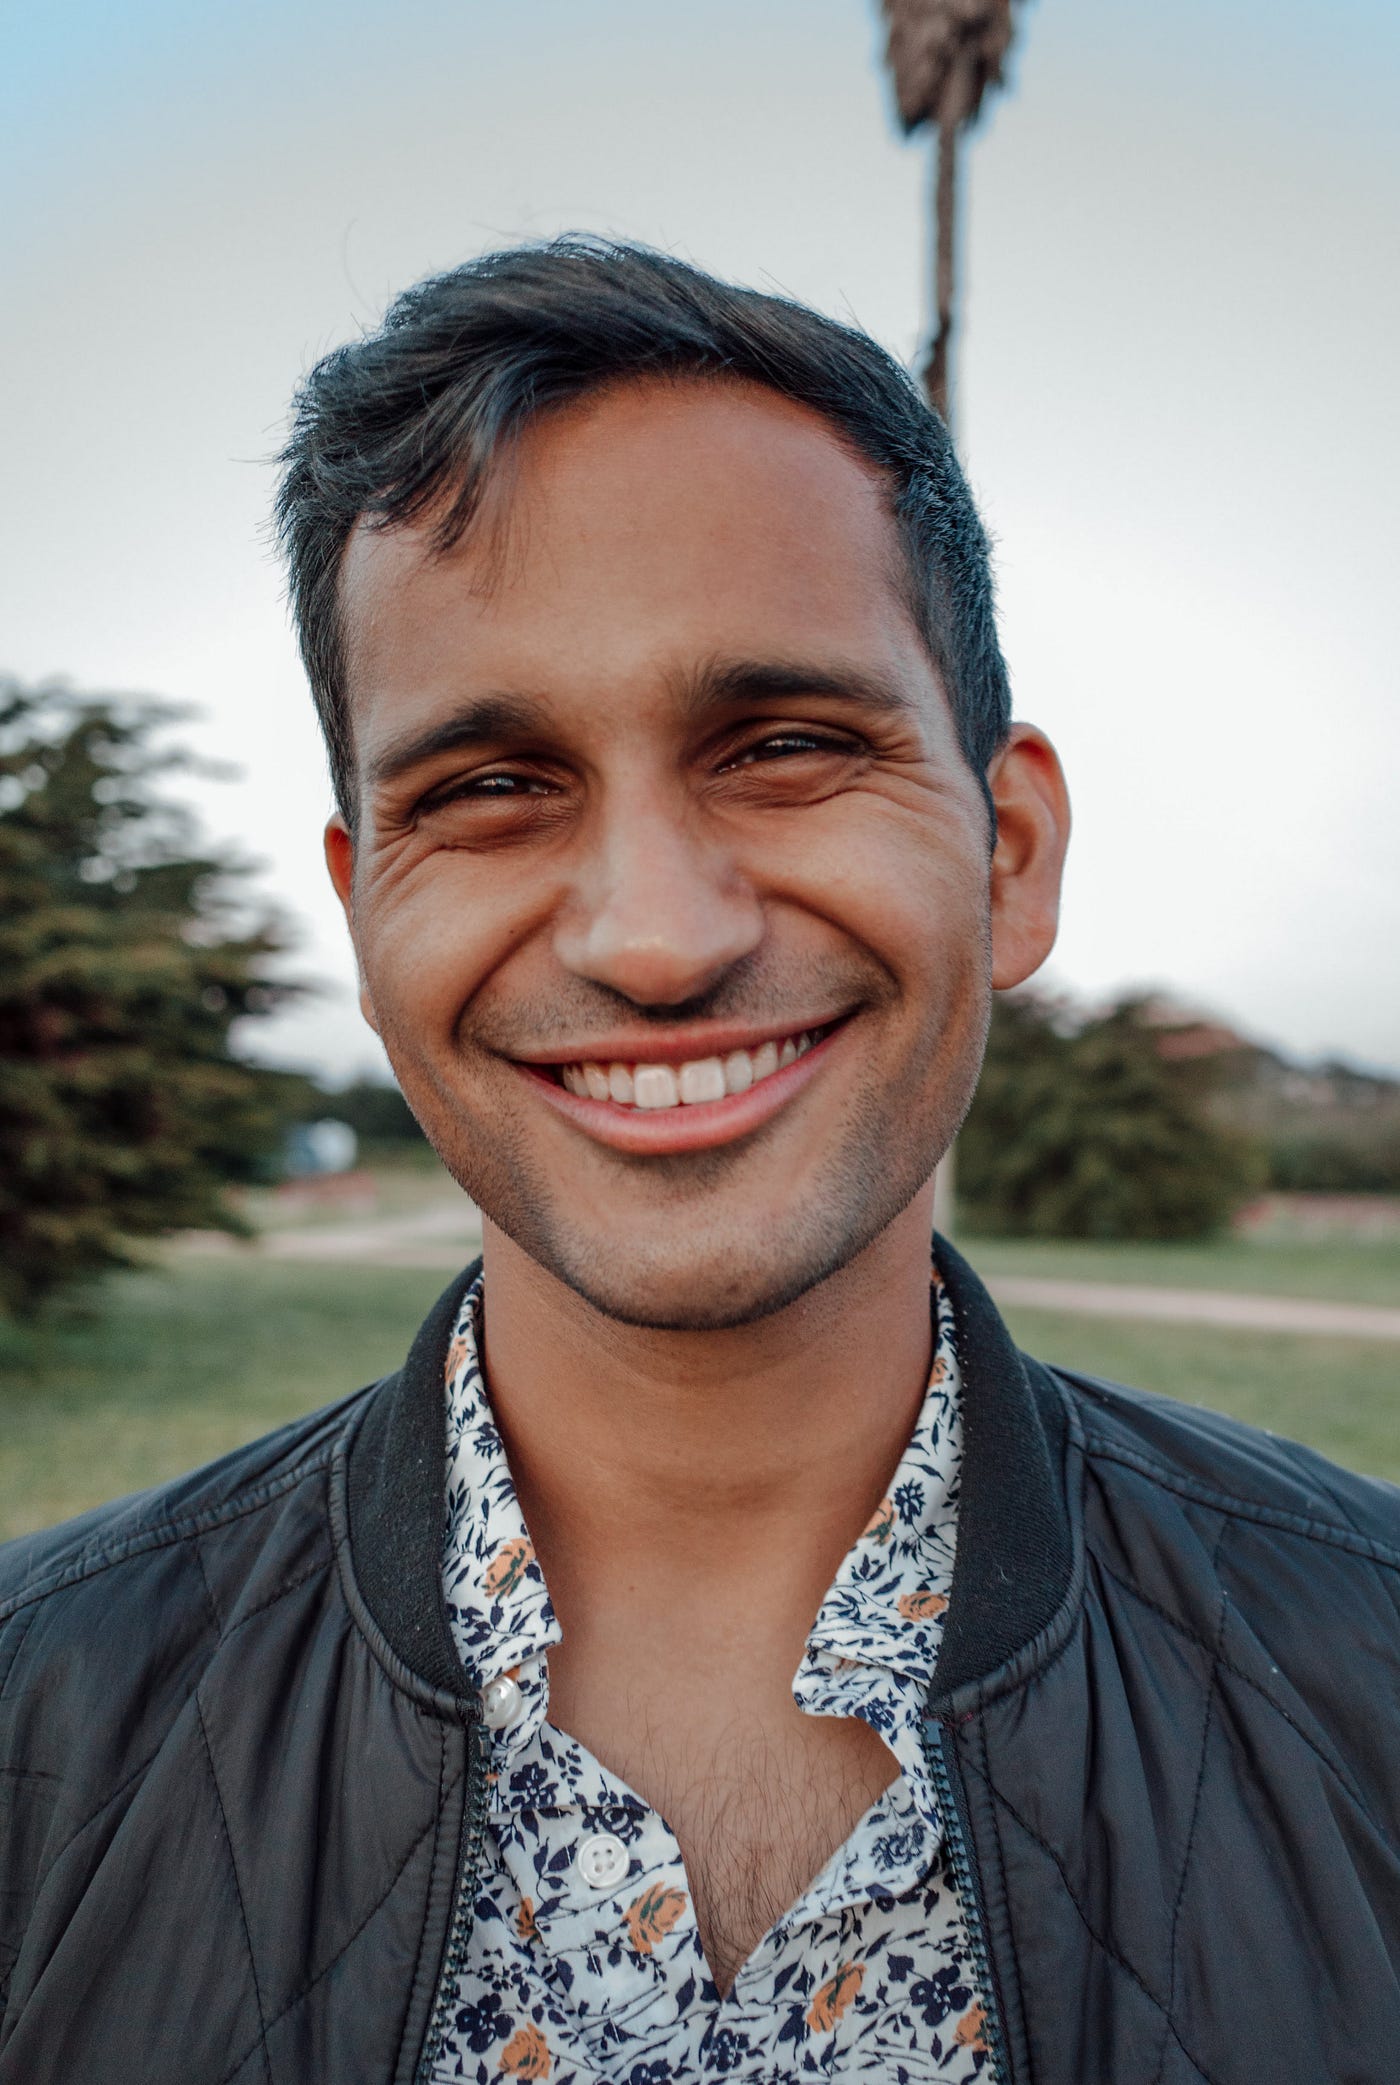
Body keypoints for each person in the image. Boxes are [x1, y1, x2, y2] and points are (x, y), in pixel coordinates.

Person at [1, 241, 1397, 2085]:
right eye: (491, 787)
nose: (654, 938)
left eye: (785, 745)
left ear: (1008, 852)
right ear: (363, 911)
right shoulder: (35, 1720)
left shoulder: (1374, 1667)